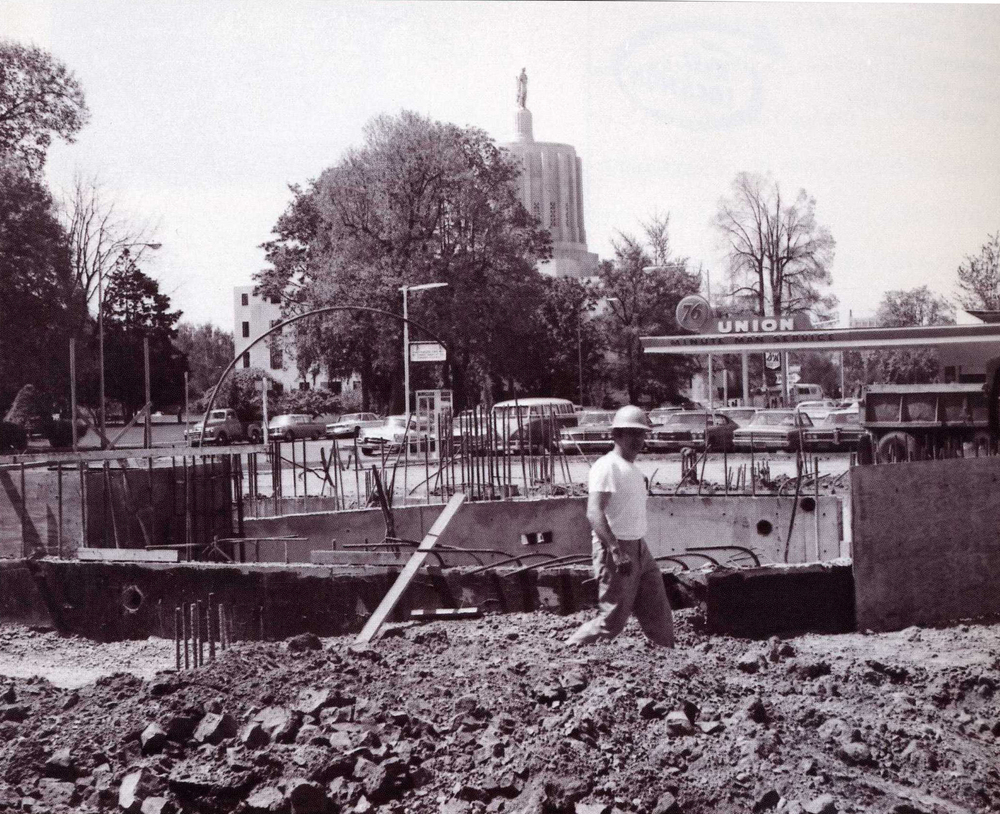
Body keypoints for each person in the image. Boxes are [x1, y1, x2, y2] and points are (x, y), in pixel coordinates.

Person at [566, 405, 675, 648]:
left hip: (639, 547)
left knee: (658, 611)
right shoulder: (608, 466)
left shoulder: (633, 470)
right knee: (612, 621)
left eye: (642, 434)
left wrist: (635, 549)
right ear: (616, 435)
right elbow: (594, 512)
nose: (639, 440)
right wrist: (615, 550)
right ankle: (569, 649)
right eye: (632, 434)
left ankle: (668, 658)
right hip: (617, 549)